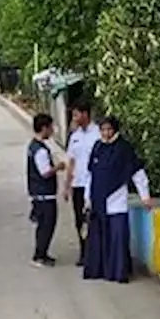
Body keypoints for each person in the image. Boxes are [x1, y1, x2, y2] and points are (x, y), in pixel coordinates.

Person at [84, 116, 153, 283]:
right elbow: (90, 174)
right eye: (103, 130)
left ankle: (117, 272)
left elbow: (137, 172)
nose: (106, 133)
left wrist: (145, 197)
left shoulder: (124, 148)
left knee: (117, 238)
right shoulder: (98, 146)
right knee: (99, 238)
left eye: (109, 129)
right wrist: (87, 198)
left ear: (115, 129)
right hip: (98, 201)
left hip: (116, 202)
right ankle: (100, 269)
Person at [28, 113, 65, 267]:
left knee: (43, 226)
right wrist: (58, 167)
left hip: (38, 193)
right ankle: (39, 255)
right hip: (44, 194)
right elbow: (45, 172)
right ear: (44, 128)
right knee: (47, 226)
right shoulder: (41, 151)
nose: (52, 130)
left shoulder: (33, 146)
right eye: (50, 127)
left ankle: (41, 253)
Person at [63, 101, 97, 266]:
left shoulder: (98, 133)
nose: (74, 118)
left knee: (94, 219)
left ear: (85, 114)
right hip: (78, 184)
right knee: (79, 220)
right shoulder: (74, 136)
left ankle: (96, 253)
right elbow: (71, 161)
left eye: (76, 114)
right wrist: (66, 185)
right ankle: (84, 252)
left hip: (94, 184)